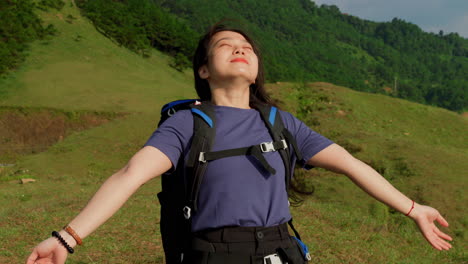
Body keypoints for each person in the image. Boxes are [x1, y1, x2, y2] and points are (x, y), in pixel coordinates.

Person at [26, 23, 452, 264]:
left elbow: (353, 165)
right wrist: (67, 238)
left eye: (247, 47)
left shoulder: (280, 122)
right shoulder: (187, 125)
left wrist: (413, 209)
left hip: (283, 253)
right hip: (215, 257)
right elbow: (130, 175)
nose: (240, 49)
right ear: (204, 71)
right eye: (225, 46)